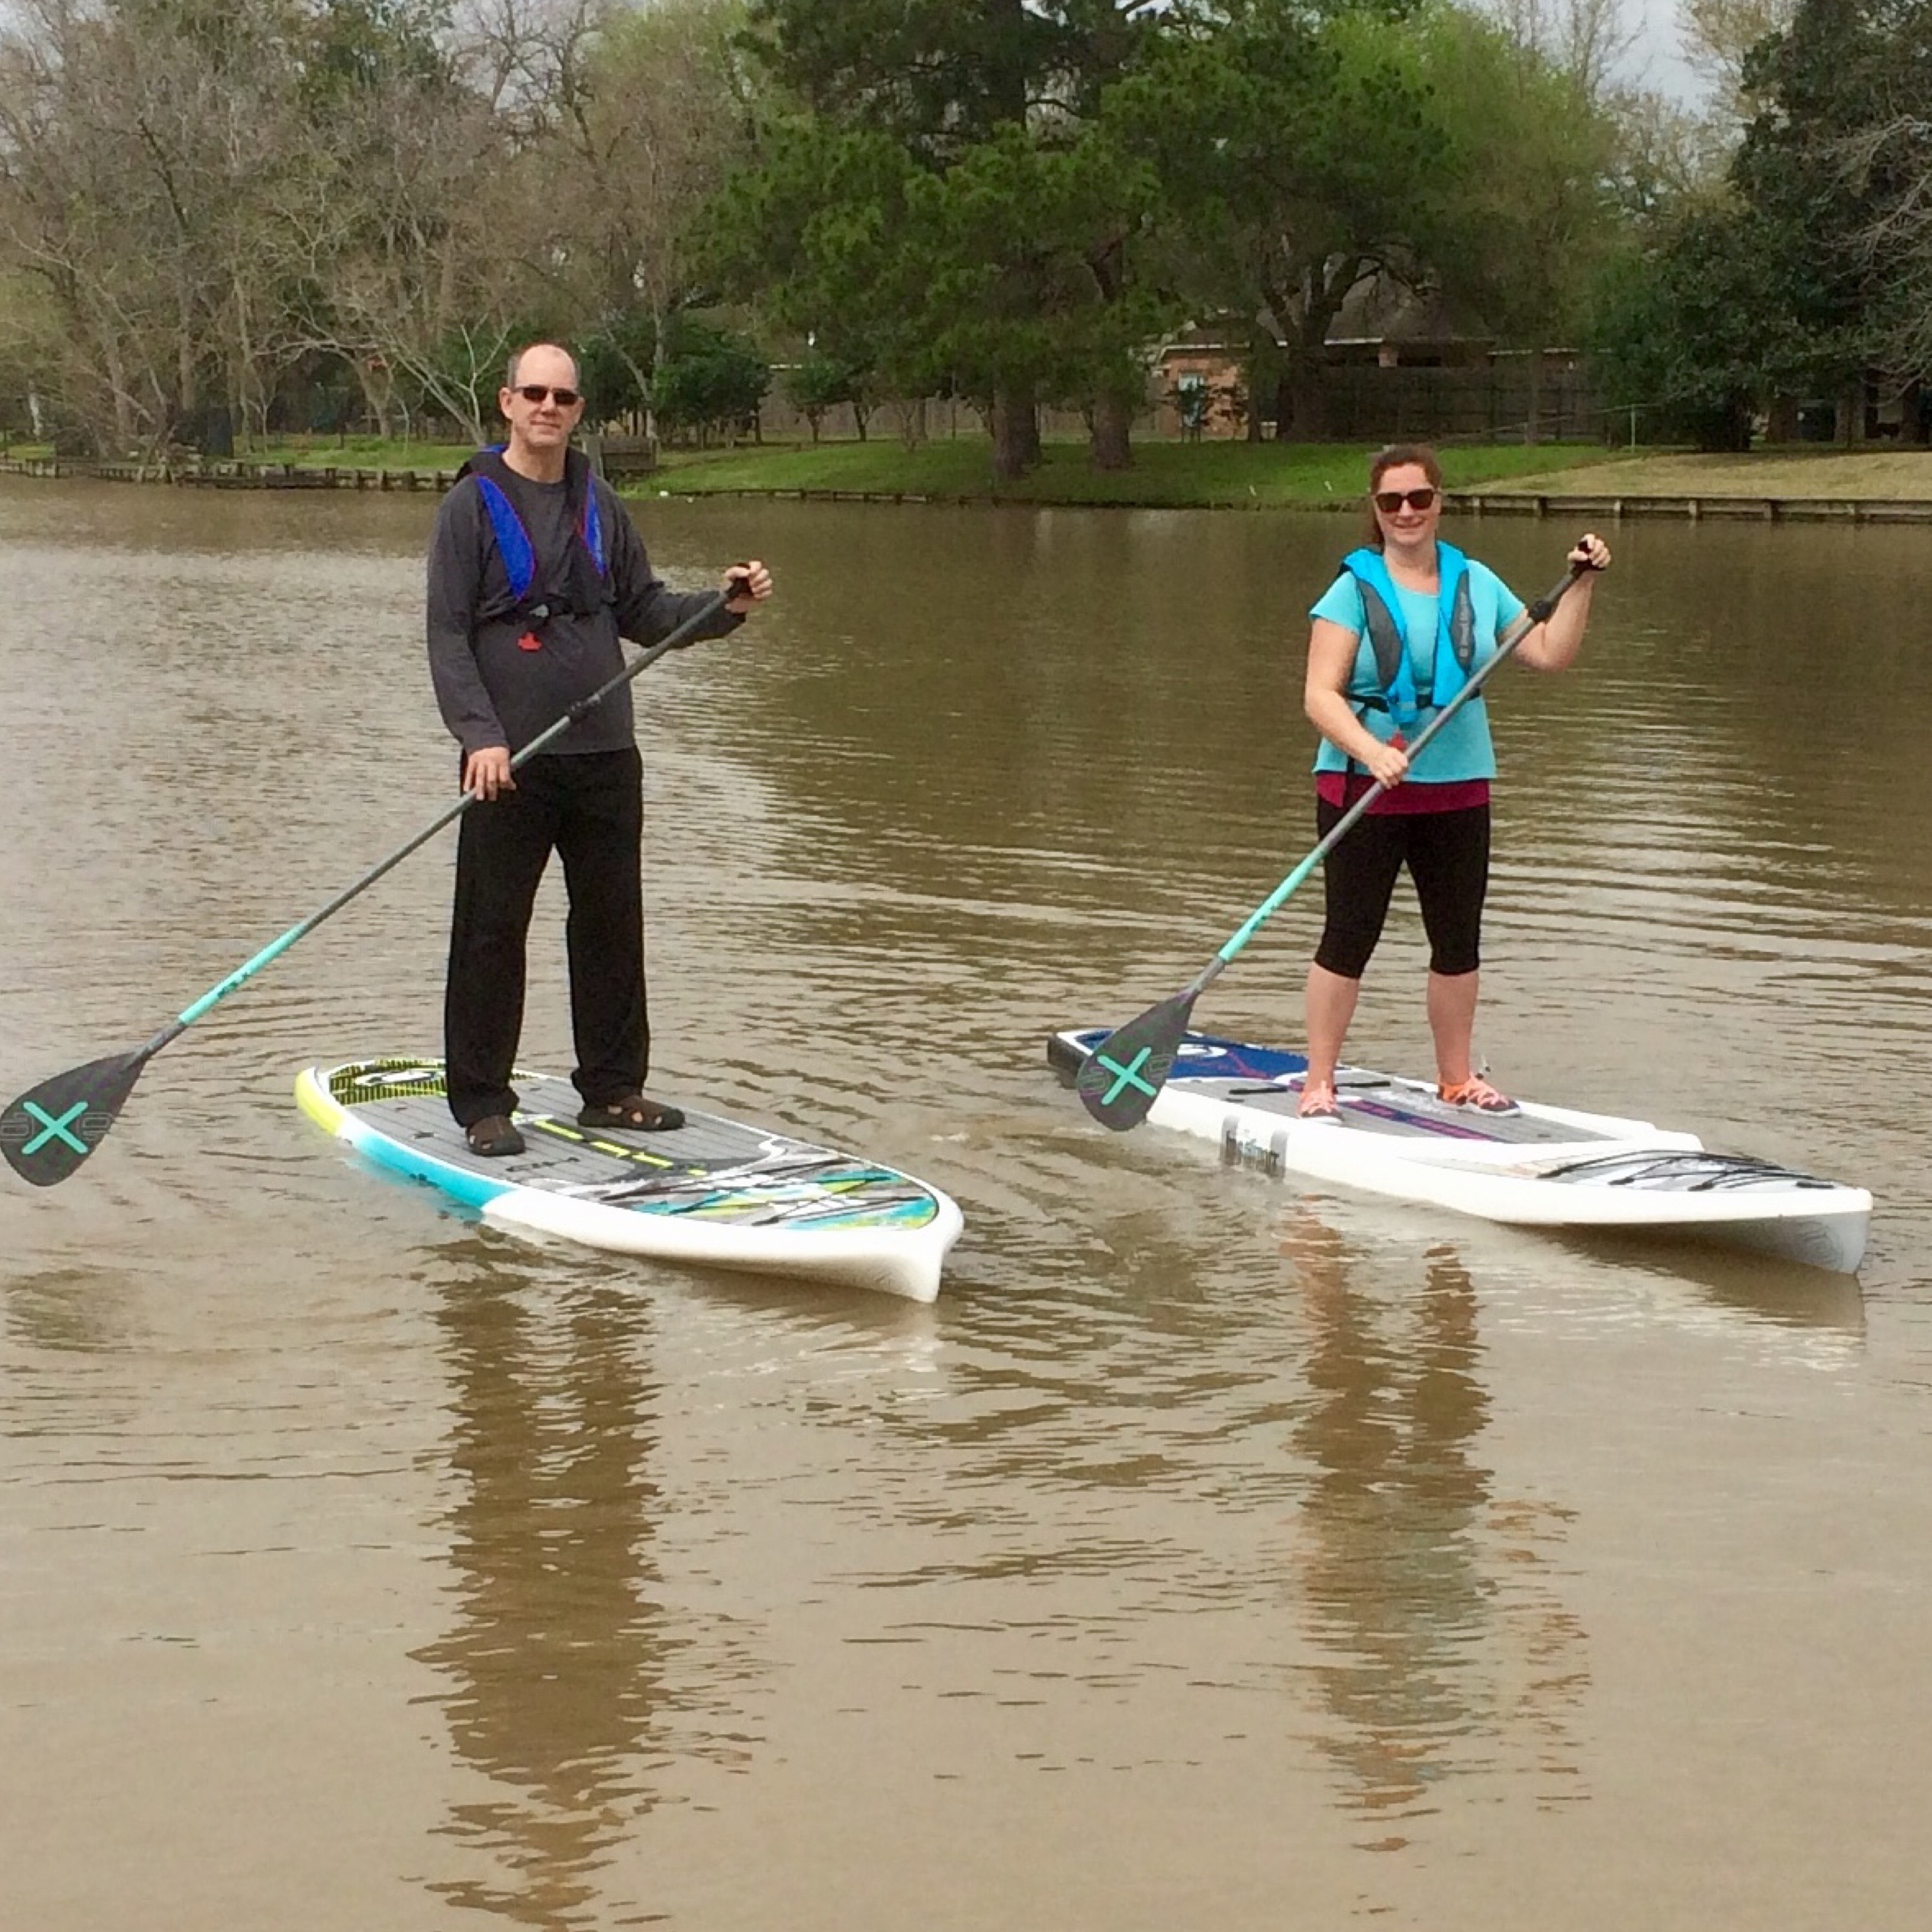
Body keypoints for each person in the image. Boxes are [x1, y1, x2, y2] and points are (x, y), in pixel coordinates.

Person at [427, 341, 772, 1157]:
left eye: (565, 398)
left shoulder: (600, 501)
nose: (549, 408)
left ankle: (612, 1090)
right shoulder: (469, 509)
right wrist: (480, 737)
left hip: (606, 756)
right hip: (509, 763)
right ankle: (482, 1101)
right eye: (535, 394)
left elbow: (647, 611)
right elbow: (446, 637)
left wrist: (723, 607)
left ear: (579, 412)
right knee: (491, 931)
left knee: (612, 924)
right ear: (507, 403)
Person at [1296, 443, 1608, 1122]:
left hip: (1458, 784)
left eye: (1420, 498)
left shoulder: (1477, 583)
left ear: (1440, 503)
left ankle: (1457, 1079)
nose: (1406, 512)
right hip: (1364, 788)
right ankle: (1318, 1083)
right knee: (1350, 937)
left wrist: (1580, 584)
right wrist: (1371, 750)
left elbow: (1551, 655)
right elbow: (1320, 697)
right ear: (1374, 511)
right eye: (1391, 502)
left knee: (1457, 939)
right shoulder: (1352, 590)